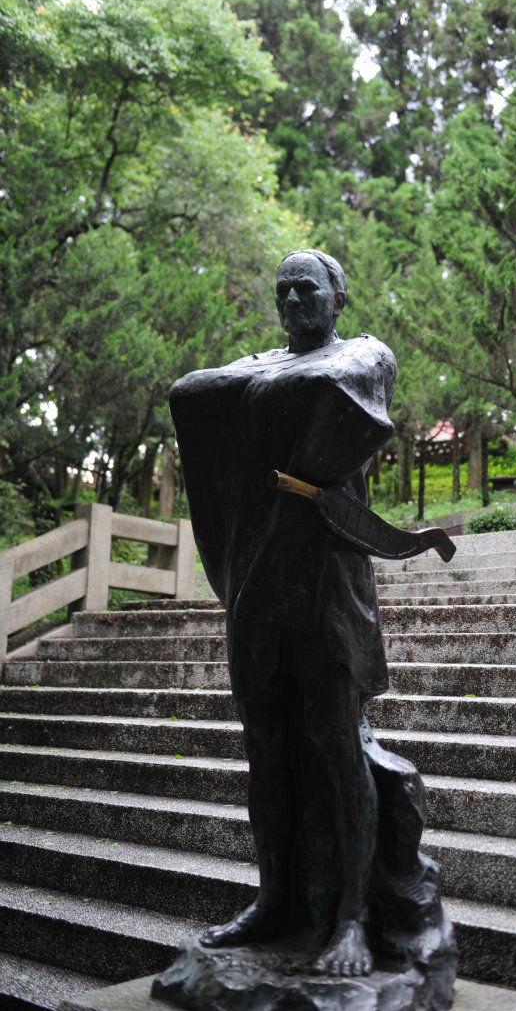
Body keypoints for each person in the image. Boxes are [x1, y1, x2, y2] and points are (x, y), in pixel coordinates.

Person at [169, 250, 397, 976]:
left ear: (339, 295)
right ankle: (274, 901)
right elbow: (189, 392)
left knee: (337, 741)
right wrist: (263, 384)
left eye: (309, 287)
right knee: (264, 746)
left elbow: (339, 386)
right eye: (284, 290)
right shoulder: (262, 365)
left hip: (330, 577)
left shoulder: (365, 353)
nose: (295, 298)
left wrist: (259, 388)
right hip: (260, 580)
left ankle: (355, 918)